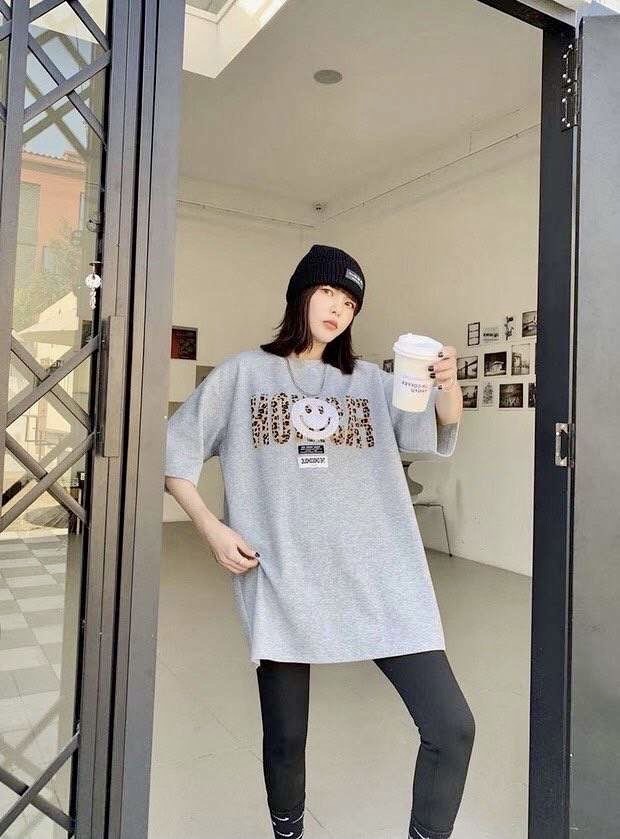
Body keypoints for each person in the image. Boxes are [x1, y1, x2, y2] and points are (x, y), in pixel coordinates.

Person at [164, 244, 474, 839]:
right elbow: (174, 454)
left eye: (350, 302)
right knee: (285, 739)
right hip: (283, 578)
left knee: (451, 727)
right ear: (301, 294)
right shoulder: (242, 375)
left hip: (381, 577)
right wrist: (211, 527)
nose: (338, 308)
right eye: (328, 292)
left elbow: (435, 428)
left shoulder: (373, 382)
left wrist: (447, 384)